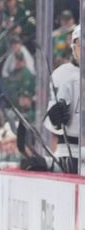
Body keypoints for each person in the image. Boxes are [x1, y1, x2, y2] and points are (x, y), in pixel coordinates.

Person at [40, 24, 80, 174]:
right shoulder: (61, 75)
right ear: (73, 47)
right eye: (80, 44)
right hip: (69, 151)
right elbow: (50, 121)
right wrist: (55, 117)